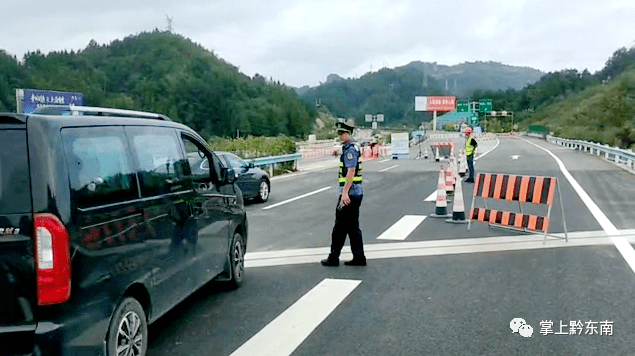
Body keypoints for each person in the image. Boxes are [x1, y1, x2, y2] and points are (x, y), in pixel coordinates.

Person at [321, 121, 367, 266]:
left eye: (342, 133)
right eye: (339, 133)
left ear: (349, 133)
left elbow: (351, 172)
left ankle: (334, 257)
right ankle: (359, 257)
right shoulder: (351, 147)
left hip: (350, 194)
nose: (340, 136)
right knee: (352, 227)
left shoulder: (350, 151)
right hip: (355, 193)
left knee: (340, 228)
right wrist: (338, 152)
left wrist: (345, 194)